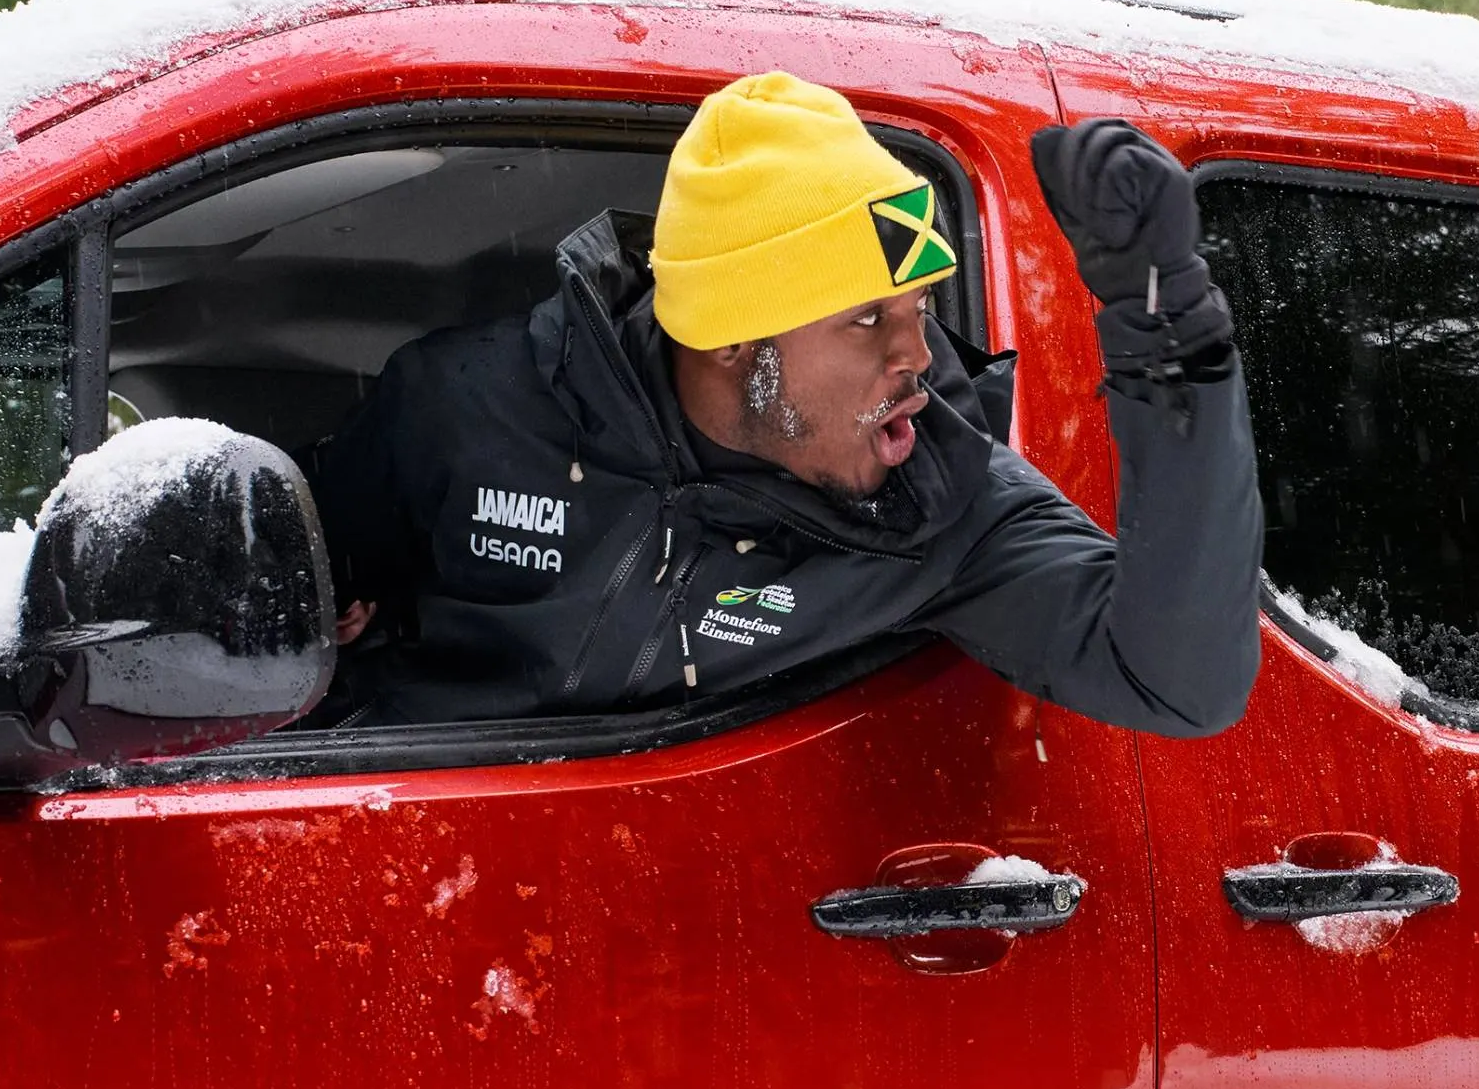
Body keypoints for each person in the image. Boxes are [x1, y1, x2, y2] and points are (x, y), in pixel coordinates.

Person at [305, 72, 1261, 739]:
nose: (917, 355)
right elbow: (306, 604)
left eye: (918, 309)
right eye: (866, 321)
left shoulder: (937, 504)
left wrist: (1171, 339)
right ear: (728, 334)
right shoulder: (466, 406)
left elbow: (1179, 684)